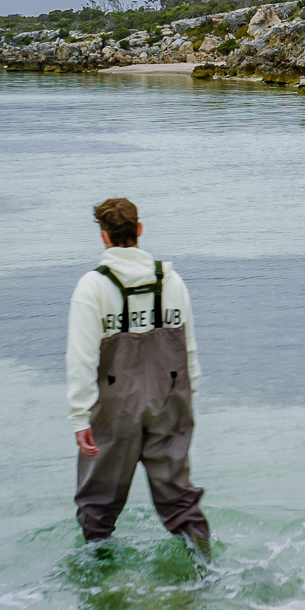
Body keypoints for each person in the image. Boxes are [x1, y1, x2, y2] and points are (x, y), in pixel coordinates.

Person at [67, 197, 209, 551]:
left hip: (116, 404)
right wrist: (187, 404)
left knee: (98, 506)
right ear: (139, 230)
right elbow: (188, 347)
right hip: (171, 397)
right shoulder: (171, 279)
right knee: (180, 502)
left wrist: (80, 416)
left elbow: (82, 357)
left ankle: (103, 591)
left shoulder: (93, 286)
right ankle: (206, 574)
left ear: (104, 237)